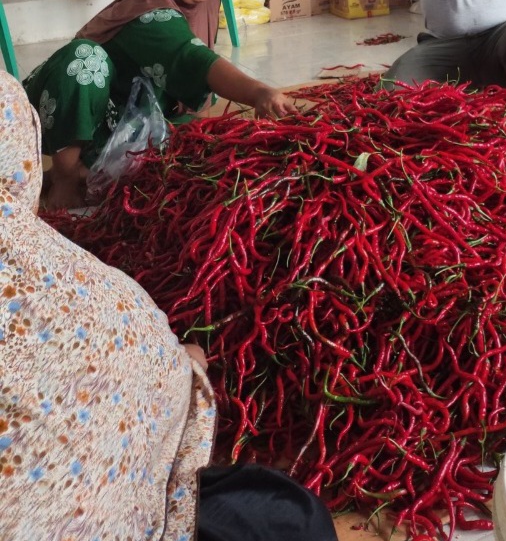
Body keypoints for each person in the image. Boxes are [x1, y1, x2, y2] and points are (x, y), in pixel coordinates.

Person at [0, 70, 338, 540]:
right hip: (123, 518)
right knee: (290, 518)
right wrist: (182, 370)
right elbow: (161, 384)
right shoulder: (74, 282)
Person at [23, 0, 296, 210]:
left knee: (205, 151)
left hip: (129, 113)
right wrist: (258, 92)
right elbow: (193, 60)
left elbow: (193, 89)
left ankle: (82, 171)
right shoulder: (150, 14)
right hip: (85, 114)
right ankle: (66, 179)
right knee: (84, 58)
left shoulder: (204, 3)